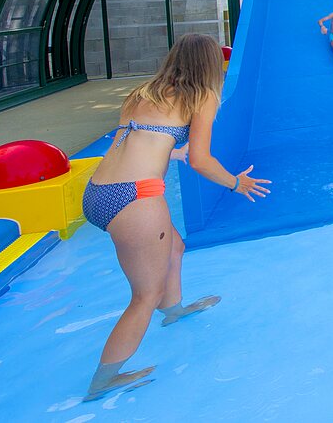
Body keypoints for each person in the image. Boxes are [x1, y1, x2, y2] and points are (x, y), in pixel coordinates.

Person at [80, 33, 270, 402]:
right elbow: (201, 159)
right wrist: (236, 183)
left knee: (175, 247)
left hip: (98, 192)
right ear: (212, 64)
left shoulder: (143, 91)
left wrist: (176, 153)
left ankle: (174, 309)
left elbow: (147, 140)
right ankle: (102, 380)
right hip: (135, 198)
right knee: (143, 295)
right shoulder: (203, 96)